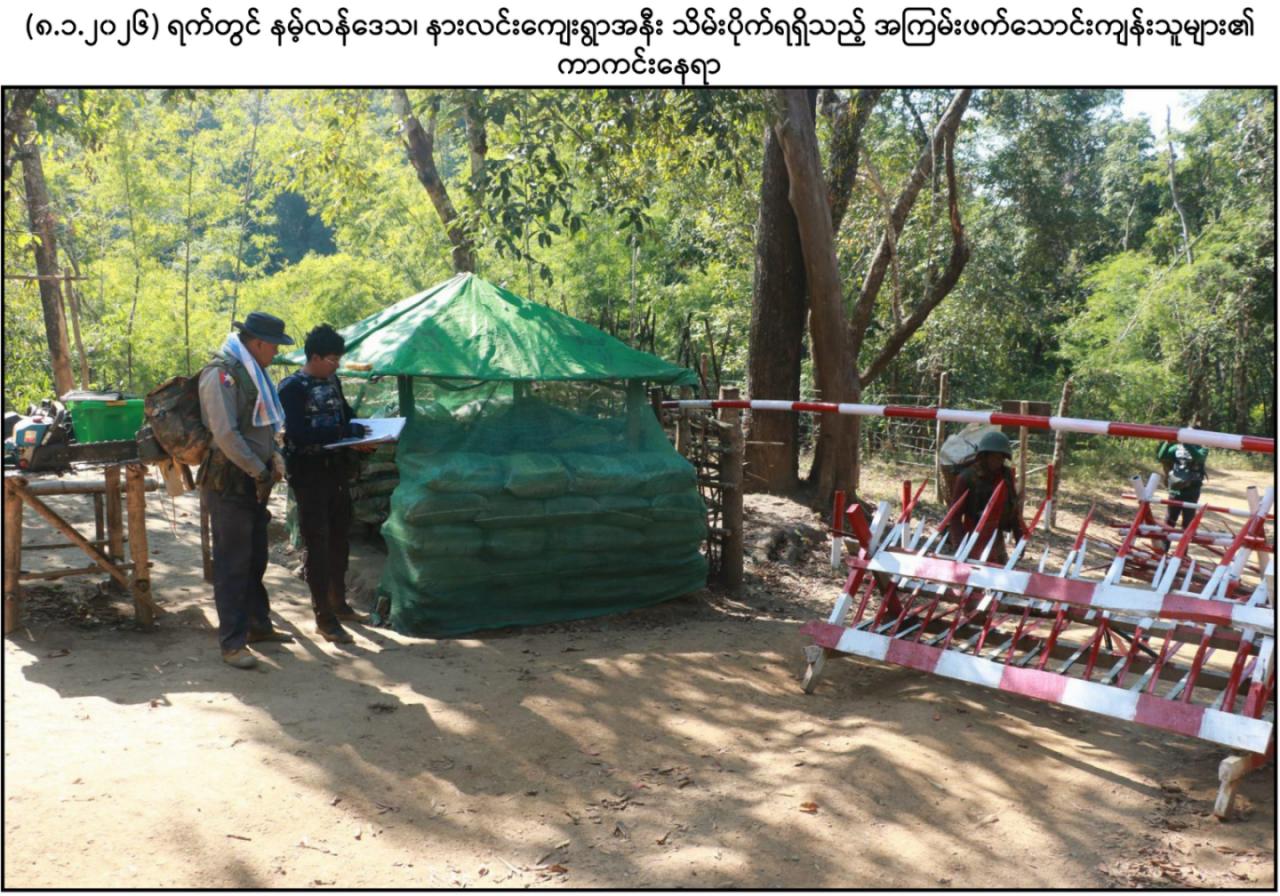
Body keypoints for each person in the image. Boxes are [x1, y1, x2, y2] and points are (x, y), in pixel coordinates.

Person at [197, 312, 295, 670]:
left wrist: (274, 457)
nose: (276, 352)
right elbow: (225, 434)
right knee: (233, 563)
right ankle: (232, 642)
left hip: (254, 479)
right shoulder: (221, 374)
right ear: (258, 343)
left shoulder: (254, 373)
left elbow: (265, 427)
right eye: (274, 346)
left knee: (255, 558)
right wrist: (258, 469)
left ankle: (257, 624)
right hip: (230, 481)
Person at [278, 324, 375, 645]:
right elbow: (297, 434)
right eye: (333, 359)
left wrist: (363, 433)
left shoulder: (332, 381)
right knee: (317, 545)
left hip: (337, 472)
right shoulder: (292, 388)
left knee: (339, 540)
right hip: (309, 476)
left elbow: (346, 415)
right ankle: (323, 616)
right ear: (315, 357)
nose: (337, 365)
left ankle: (339, 603)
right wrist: (343, 433)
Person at [947, 430, 1023, 565]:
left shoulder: (1006, 476)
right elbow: (955, 516)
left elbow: (1014, 509)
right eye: (993, 457)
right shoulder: (966, 478)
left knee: (999, 572)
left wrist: (1019, 539)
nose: (997, 461)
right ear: (984, 456)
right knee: (973, 572)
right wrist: (960, 546)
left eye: (1000, 457)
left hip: (995, 535)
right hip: (972, 534)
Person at [1156, 439, 1209, 529]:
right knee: (1170, 520)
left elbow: (1199, 457)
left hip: (1192, 490)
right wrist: (1167, 443)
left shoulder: (1202, 449)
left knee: (1188, 521)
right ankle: (1166, 538)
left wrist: (1186, 443)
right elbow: (1161, 457)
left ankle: (1185, 538)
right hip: (1176, 489)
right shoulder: (1176, 448)